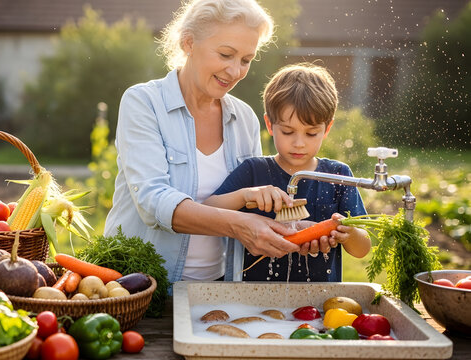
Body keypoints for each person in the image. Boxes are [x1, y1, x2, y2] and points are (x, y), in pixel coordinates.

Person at [103, 0, 302, 285]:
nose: (235, 71)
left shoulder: (244, 118)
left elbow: (251, 212)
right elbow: (153, 201)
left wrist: (296, 228)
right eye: (225, 54)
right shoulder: (144, 103)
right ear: (189, 43)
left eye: (246, 60)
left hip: (217, 289)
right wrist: (239, 225)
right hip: (139, 287)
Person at [204, 63, 371, 282]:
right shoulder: (254, 171)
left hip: (319, 305)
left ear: (327, 129)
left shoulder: (338, 176)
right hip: (253, 300)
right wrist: (245, 195)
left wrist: (348, 234)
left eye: (311, 133)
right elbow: (207, 210)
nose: (299, 143)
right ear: (270, 125)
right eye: (288, 131)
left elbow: (362, 249)